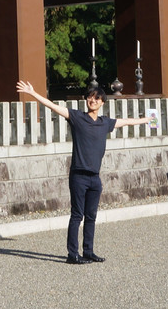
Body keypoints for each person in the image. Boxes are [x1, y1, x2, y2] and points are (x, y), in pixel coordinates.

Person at [16, 80, 156, 265]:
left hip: (95, 178)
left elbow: (127, 122)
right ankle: (72, 254)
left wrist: (148, 120)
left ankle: (88, 251)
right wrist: (33, 93)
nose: (93, 100)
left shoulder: (105, 123)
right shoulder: (76, 117)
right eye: (90, 97)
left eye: (97, 98)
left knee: (91, 216)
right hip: (79, 176)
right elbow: (53, 106)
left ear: (102, 102)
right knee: (77, 215)